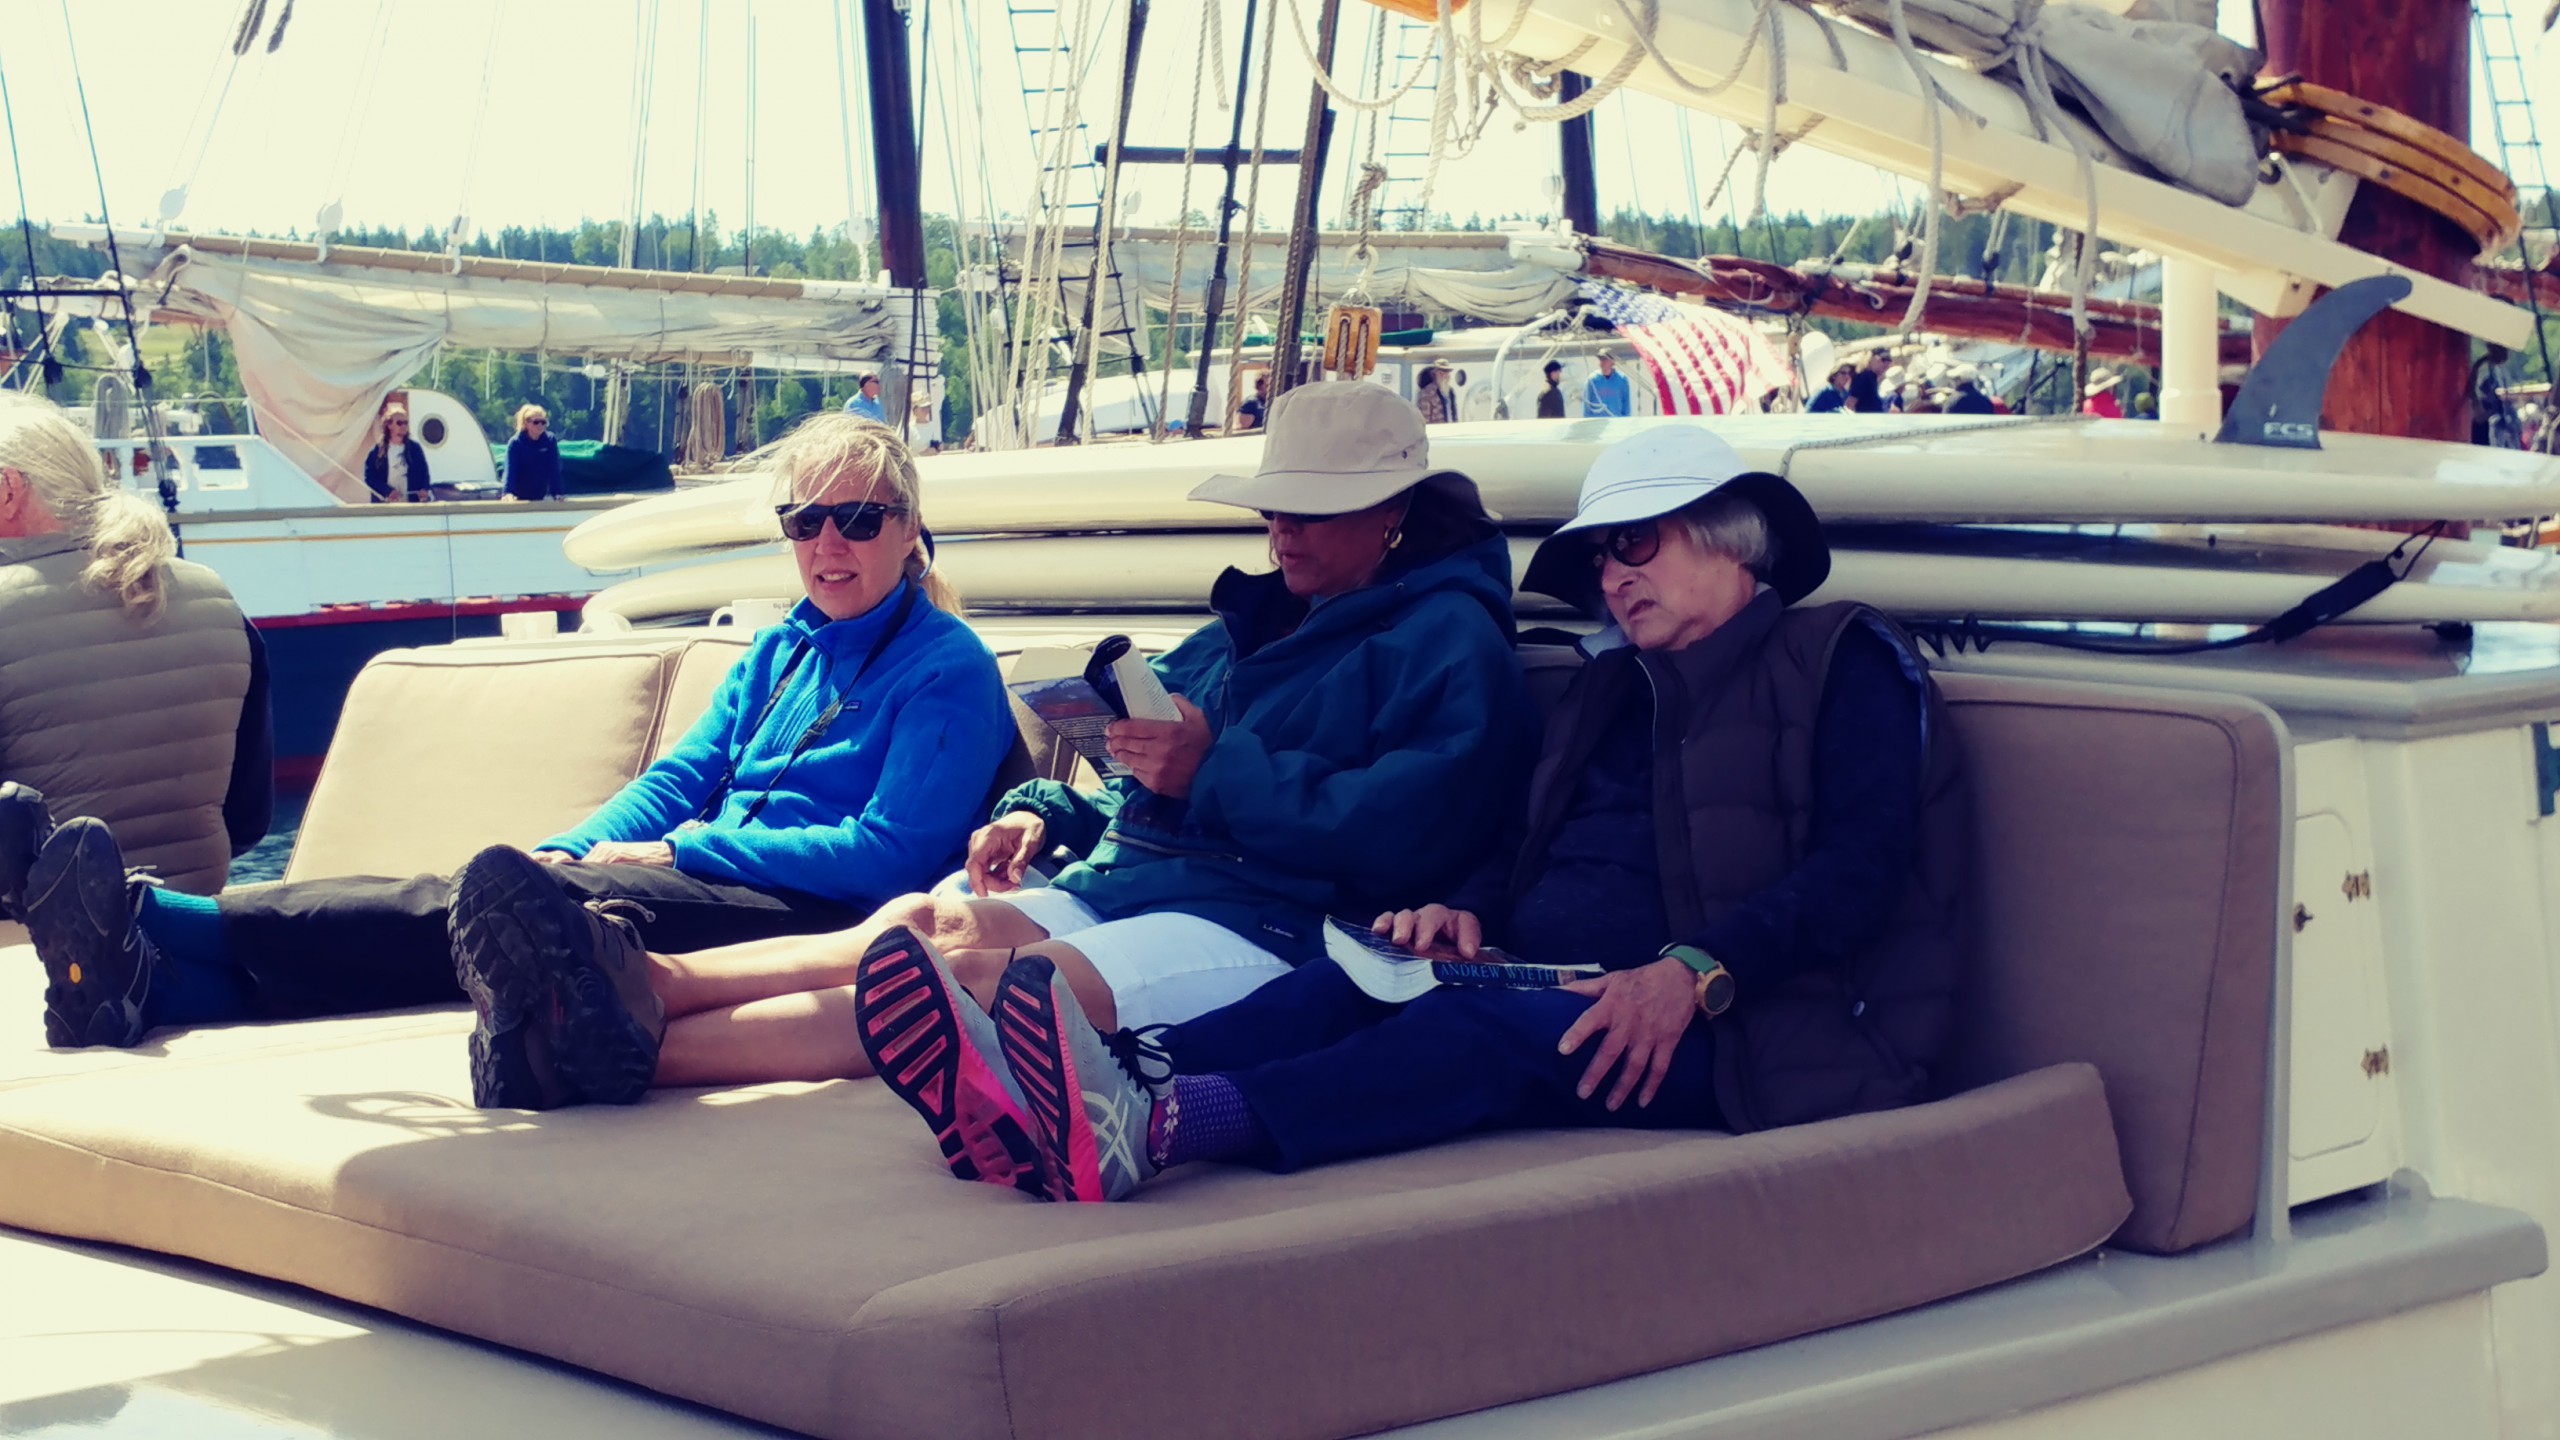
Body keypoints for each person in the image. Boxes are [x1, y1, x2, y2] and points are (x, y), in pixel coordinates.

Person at [867, 425, 1969, 1202]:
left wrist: (1693, 972)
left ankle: (1154, 1127)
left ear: (1733, 540)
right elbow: (1521, 845)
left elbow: (1861, 869)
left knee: (1469, 1027)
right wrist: (1466, 911)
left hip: (1759, 1030)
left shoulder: (1840, 660)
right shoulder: (1611, 688)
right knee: (1351, 977)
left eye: (1635, 544)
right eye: (1597, 557)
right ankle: (1061, 1090)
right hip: (1571, 979)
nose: (1611, 577)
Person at [479, 383, 1538, 1163]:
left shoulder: (1451, 643)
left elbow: (1412, 835)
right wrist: (1044, 814)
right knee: (916, 921)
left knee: (966, 986)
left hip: (1269, 924)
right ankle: (643, 984)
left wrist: (1212, 772)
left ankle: (596, 1054)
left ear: (1391, 512)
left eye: (1309, 509)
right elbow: (1148, 780)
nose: (1280, 529)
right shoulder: (1247, 624)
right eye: (1275, 506)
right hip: (1142, 883)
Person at [21, 414, 1016, 1080]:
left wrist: (679, 855)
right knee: (495, 905)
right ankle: (153, 983)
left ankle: (160, 920)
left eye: (856, 520)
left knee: (468, 911)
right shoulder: (782, 649)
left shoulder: (945, 669)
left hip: (799, 913)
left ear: (907, 530)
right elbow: (680, 776)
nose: (828, 544)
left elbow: (885, 851)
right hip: (706, 879)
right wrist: (569, 848)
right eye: (806, 521)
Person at [0, 391, 269, 930]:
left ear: (8, 489)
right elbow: (248, 818)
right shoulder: (214, 597)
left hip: (36, 960)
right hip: (191, 939)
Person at [363, 407, 431, 502]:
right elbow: (370, 477)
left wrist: (424, 489)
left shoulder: (414, 449)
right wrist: (387, 491)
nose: (403, 426)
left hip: (411, 504)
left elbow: (424, 473)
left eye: (405, 423)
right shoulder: (378, 451)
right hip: (385, 505)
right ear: (389, 425)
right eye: (399, 423)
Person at [502, 403, 564, 501]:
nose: (540, 425)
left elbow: (554, 468)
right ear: (526, 423)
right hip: (519, 496)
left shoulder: (550, 440)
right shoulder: (516, 443)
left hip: (540, 494)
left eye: (543, 422)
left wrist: (557, 493)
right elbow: (511, 469)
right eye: (536, 422)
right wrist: (507, 492)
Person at [1583, 352, 1632, 418]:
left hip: (1616, 421)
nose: (1602, 362)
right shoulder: (1592, 379)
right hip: (1597, 422)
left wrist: (1626, 420)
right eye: (1601, 359)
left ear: (1612, 362)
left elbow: (1626, 403)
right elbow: (1587, 403)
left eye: (1605, 359)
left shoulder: (1622, 379)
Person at [1415, 359, 1455, 425]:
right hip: (1437, 431)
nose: (1444, 375)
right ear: (1435, 374)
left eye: (1446, 372)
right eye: (1441, 373)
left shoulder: (1451, 392)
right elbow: (1424, 420)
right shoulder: (1427, 393)